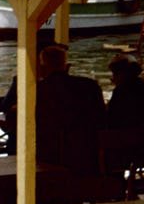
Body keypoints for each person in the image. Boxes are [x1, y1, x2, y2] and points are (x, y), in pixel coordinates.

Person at [35, 44, 107, 179]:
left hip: (50, 154)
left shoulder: (38, 90)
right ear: (67, 66)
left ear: (43, 68)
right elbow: (101, 117)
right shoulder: (90, 86)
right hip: (88, 154)